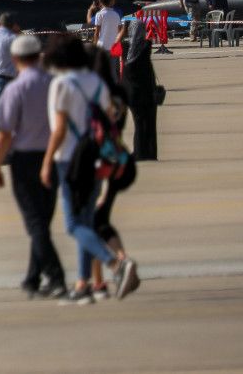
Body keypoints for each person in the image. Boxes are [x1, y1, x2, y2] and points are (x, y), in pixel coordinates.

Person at [40, 35, 139, 304]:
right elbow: (109, 119)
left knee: (73, 225)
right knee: (85, 221)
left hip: (69, 160)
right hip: (95, 158)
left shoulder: (61, 84)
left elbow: (59, 129)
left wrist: (46, 161)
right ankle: (83, 285)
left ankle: (116, 265)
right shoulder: (95, 82)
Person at [0, 35, 65, 299]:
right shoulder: (55, 84)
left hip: (24, 161)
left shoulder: (15, 89)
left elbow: (4, 133)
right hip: (52, 158)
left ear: (14, 59)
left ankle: (56, 277)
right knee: (42, 221)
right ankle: (33, 279)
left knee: (35, 223)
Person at [85, 43, 138, 300]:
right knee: (99, 220)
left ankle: (119, 265)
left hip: (100, 163)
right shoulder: (118, 92)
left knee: (91, 221)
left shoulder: (93, 95)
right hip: (120, 159)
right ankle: (100, 280)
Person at [122, 18, 158, 161]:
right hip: (148, 92)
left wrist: (123, 32)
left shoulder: (127, 49)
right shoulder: (145, 48)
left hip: (134, 94)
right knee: (149, 124)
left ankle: (140, 152)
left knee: (140, 124)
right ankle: (149, 152)